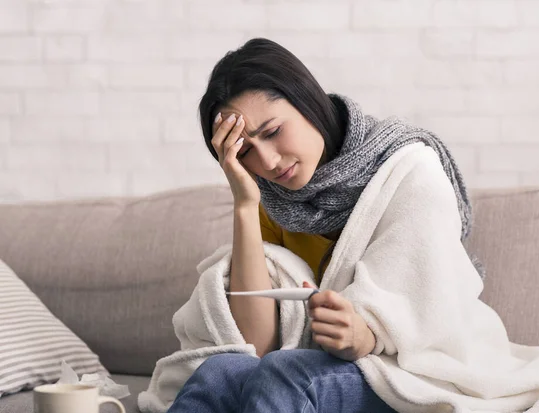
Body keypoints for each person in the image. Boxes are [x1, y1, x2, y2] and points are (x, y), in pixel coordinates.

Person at [165, 37, 474, 413]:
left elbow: (428, 305)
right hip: (312, 363)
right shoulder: (272, 200)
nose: (269, 161)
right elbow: (255, 346)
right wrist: (245, 204)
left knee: (285, 373)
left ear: (306, 100)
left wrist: (366, 332)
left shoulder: (409, 172)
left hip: (411, 369)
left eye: (273, 131)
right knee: (219, 372)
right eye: (245, 152)